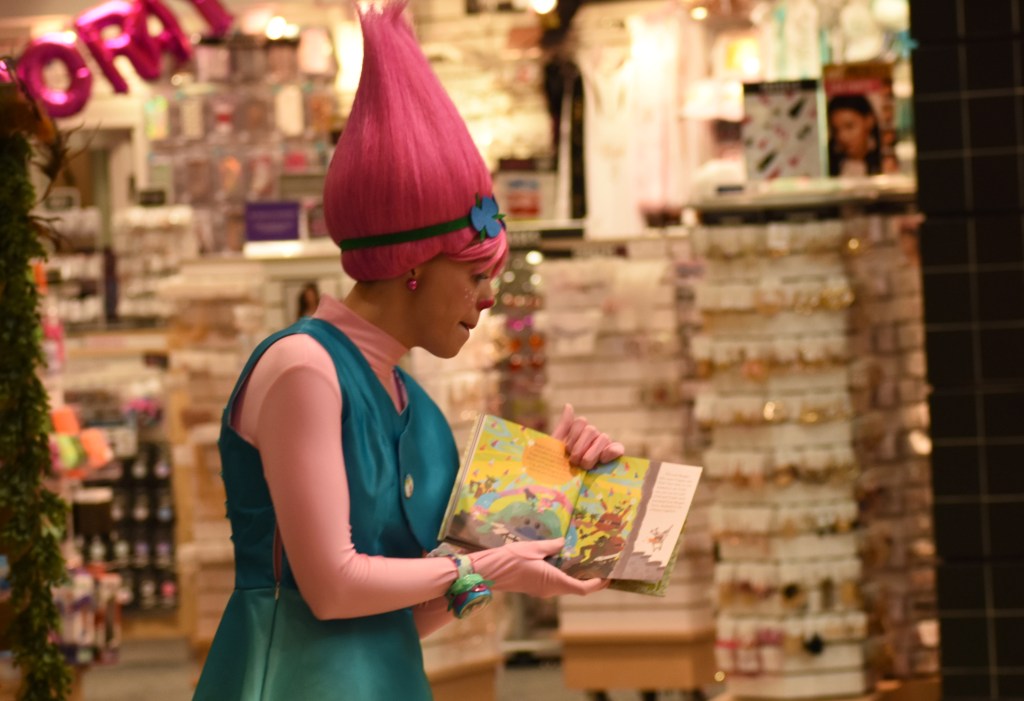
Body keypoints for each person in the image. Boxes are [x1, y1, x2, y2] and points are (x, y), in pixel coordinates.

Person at [191, 3, 624, 699]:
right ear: (413, 264)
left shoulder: (411, 404)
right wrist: (485, 564)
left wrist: (550, 497)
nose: (489, 298)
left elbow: (409, 614)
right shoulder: (305, 369)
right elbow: (332, 587)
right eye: (476, 275)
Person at [826, 93, 883, 178]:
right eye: (836, 130)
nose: (842, 137)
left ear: (869, 121)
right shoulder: (830, 167)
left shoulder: (884, 162)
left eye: (849, 126)